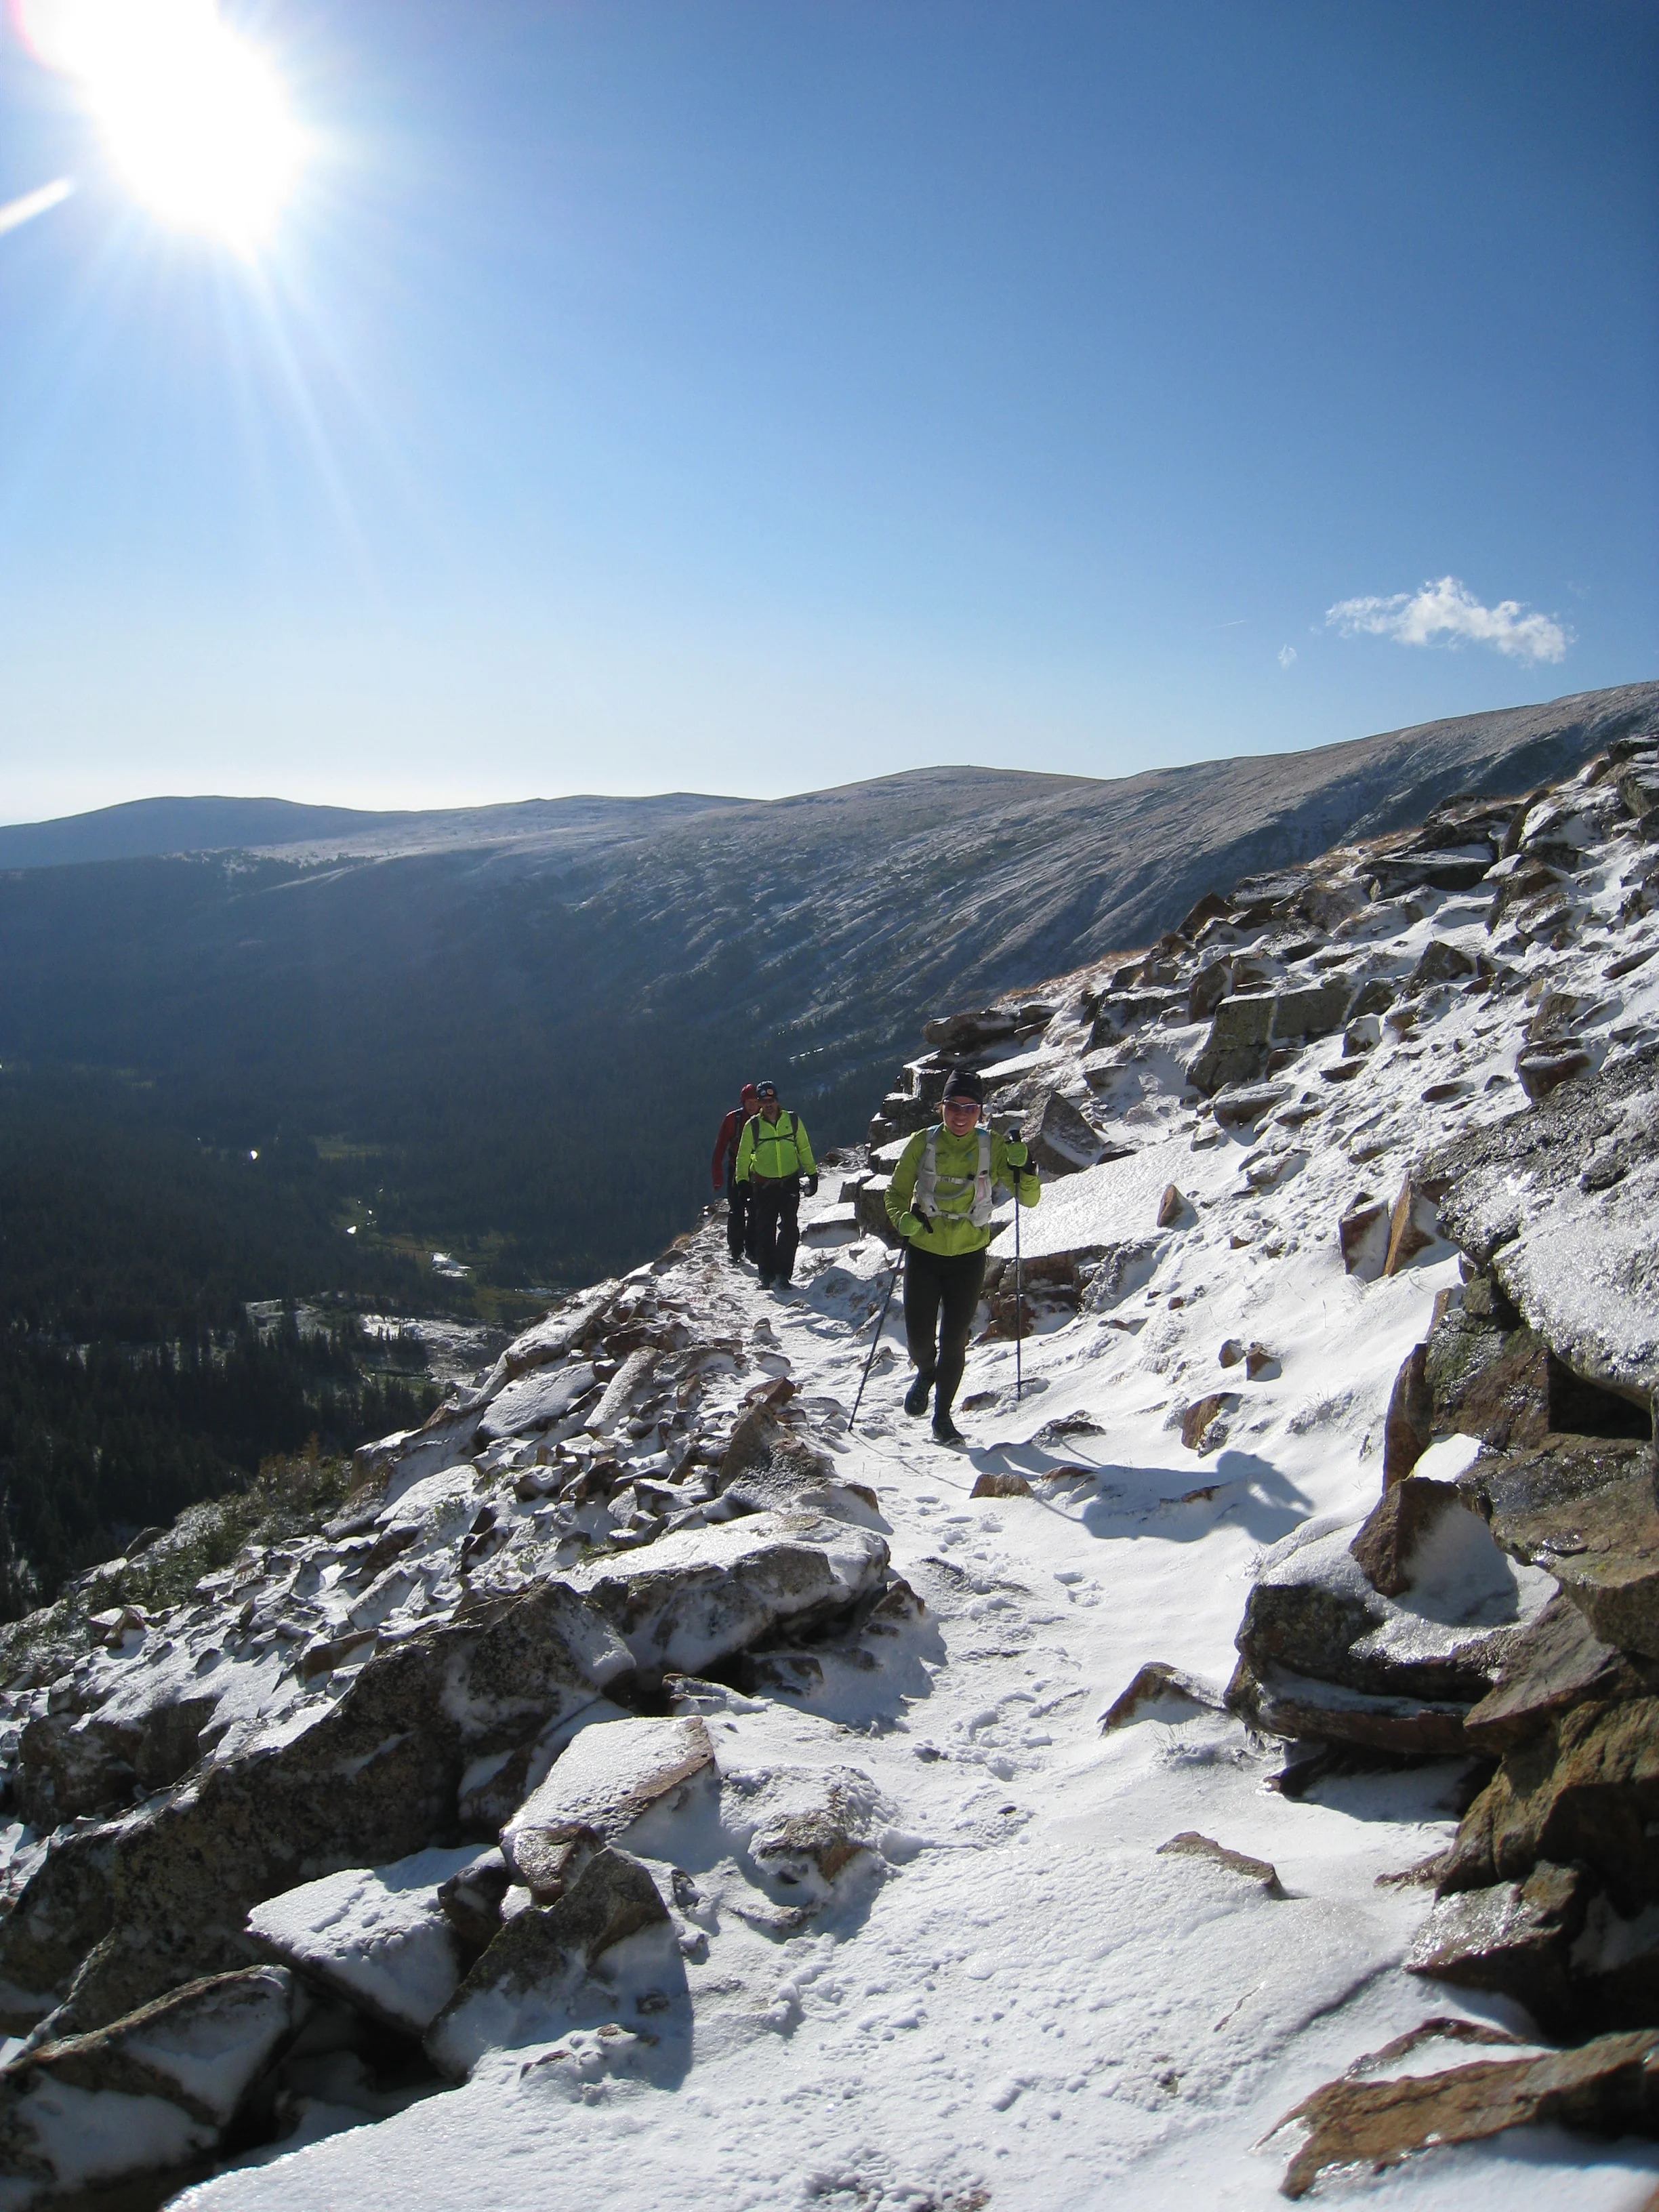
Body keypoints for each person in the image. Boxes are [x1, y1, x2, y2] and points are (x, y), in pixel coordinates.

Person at [884, 1065, 1038, 1445]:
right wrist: (904, 1221)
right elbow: (895, 1194)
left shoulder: (994, 1147)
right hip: (924, 1252)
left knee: (954, 1340)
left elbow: (1029, 1198)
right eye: (954, 1105)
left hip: (969, 1256)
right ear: (942, 1107)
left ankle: (942, 1416)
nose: (961, 1115)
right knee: (920, 1341)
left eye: (970, 1108)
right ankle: (925, 1372)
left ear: (981, 1113)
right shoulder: (922, 1143)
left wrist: (1025, 1166)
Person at [735, 1079, 818, 1290]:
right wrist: (742, 1181)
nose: (768, 1104)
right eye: (764, 1101)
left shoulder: (793, 1121)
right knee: (765, 1229)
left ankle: (783, 1273)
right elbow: (743, 1157)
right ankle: (766, 1272)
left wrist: (812, 1173)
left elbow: (804, 1148)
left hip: (789, 1182)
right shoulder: (752, 1126)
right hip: (763, 1185)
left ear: (777, 1100)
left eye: (771, 1100)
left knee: (790, 1229)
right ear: (760, 1104)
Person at [712, 1082, 761, 1264]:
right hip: (735, 1170)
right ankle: (735, 1250)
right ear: (743, 1102)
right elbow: (719, 1149)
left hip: (758, 1172)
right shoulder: (733, 1120)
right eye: (748, 1101)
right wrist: (718, 1177)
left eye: (755, 1101)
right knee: (737, 1211)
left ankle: (752, 1249)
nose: (752, 1105)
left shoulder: (766, 1120)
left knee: (756, 1211)